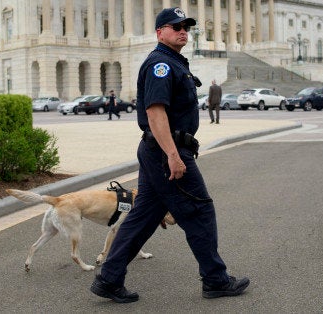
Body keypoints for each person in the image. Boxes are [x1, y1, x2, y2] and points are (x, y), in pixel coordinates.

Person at [90, 7, 249, 303]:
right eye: (175, 26)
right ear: (160, 32)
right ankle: (215, 279)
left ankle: (109, 279)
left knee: (143, 218)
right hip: (166, 152)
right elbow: (155, 113)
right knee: (199, 211)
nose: (182, 30)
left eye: (185, 26)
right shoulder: (160, 64)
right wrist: (174, 156)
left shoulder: (174, 63)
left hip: (159, 151)